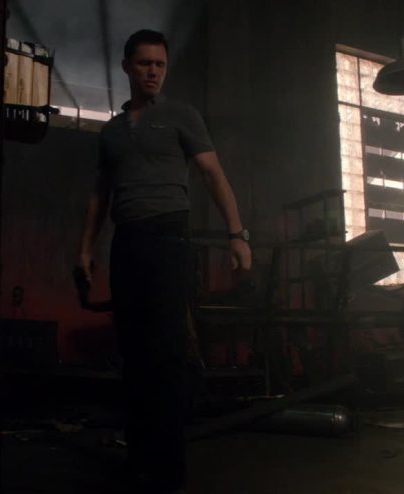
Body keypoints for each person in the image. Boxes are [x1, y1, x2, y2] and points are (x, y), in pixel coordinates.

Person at [76, 29, 252, 493]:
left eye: (160, 64)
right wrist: (85, 250)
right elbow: (99, 197)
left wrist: (237, 235)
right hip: (127, 242)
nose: (153, 72)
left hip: (170, 238)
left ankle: (170, 472)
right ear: (127, 67)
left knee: (169, 353)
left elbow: (213, 174)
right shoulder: (112, 132)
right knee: (133, 353)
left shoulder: (181, 115)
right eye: (144, 64)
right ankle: (139, 460)